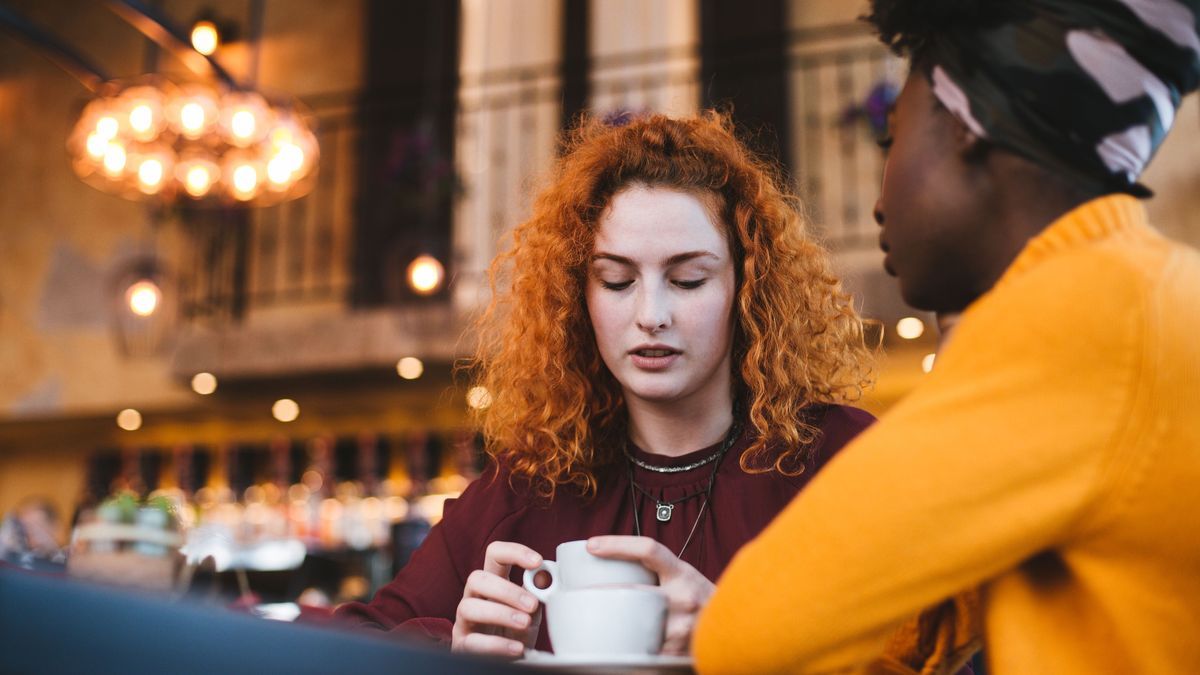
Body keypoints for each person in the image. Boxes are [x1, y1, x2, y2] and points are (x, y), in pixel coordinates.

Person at [695, 1, 1200, 673]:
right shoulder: (1144, 295)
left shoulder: (1075, 319)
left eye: (892, 136)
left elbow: (747, 638)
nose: (878, 199)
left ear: (965, 125)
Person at [334, 112, 877, 657]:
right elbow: (350, 647)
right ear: (579, 296)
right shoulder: (528, 486)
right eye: (616, 281)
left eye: (688, 280)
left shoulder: (838, 463)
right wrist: (451, 655)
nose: (651, 315)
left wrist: (744, 642)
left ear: (747, 286)